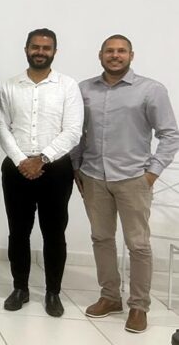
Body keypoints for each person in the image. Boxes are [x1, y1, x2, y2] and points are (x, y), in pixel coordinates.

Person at [72, 34, 179, 334]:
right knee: (101, 238)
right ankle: (109, 297)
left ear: (131, 55)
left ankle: (139, 306)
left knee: (138, 245)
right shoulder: (84, 90)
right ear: (100, 55)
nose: (115, 55)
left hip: (133, 179)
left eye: (121, 51)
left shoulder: (151, 90)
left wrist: (152, 173)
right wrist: (76, 167)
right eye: (110, 51)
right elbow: (77, 132)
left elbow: (170, 134)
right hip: (94, 177)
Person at [0, 28, 83, 317]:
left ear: (54, 52)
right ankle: (20, 288)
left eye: (46, 48)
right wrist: (22, 160)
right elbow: (1, 127)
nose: (40, 52)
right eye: (35, 47)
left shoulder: (67, 86)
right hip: (16, 168)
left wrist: (42, 159)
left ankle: (53, 292)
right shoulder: (10, 86)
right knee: (18, 232)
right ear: (26, 49)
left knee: (54, 232)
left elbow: (73, 130)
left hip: (56, 169)